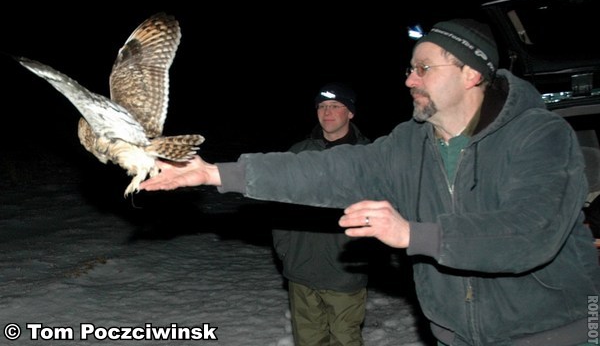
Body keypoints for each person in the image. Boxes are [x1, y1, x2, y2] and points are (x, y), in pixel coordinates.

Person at [140, 19, 600, 345]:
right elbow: (327, 169)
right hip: (458, 335)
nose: (409, 80)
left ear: (471, 73)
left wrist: (411, 234)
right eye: (409, 69)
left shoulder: (539, 135)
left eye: (424, 68)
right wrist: (213, 172)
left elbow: (530, 232)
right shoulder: (409, 144)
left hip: (560, 330)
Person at [272, 83, 371, 346]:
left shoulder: (370, 156)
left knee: (345, 339)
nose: (327, 112)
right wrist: (285, 248)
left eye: (335, 106)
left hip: (345, 271)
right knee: (308, 340)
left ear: (350, 112)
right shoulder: (298, 152)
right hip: (301, 268)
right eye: (322, 106)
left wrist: (365, 255)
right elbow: (279, 205)